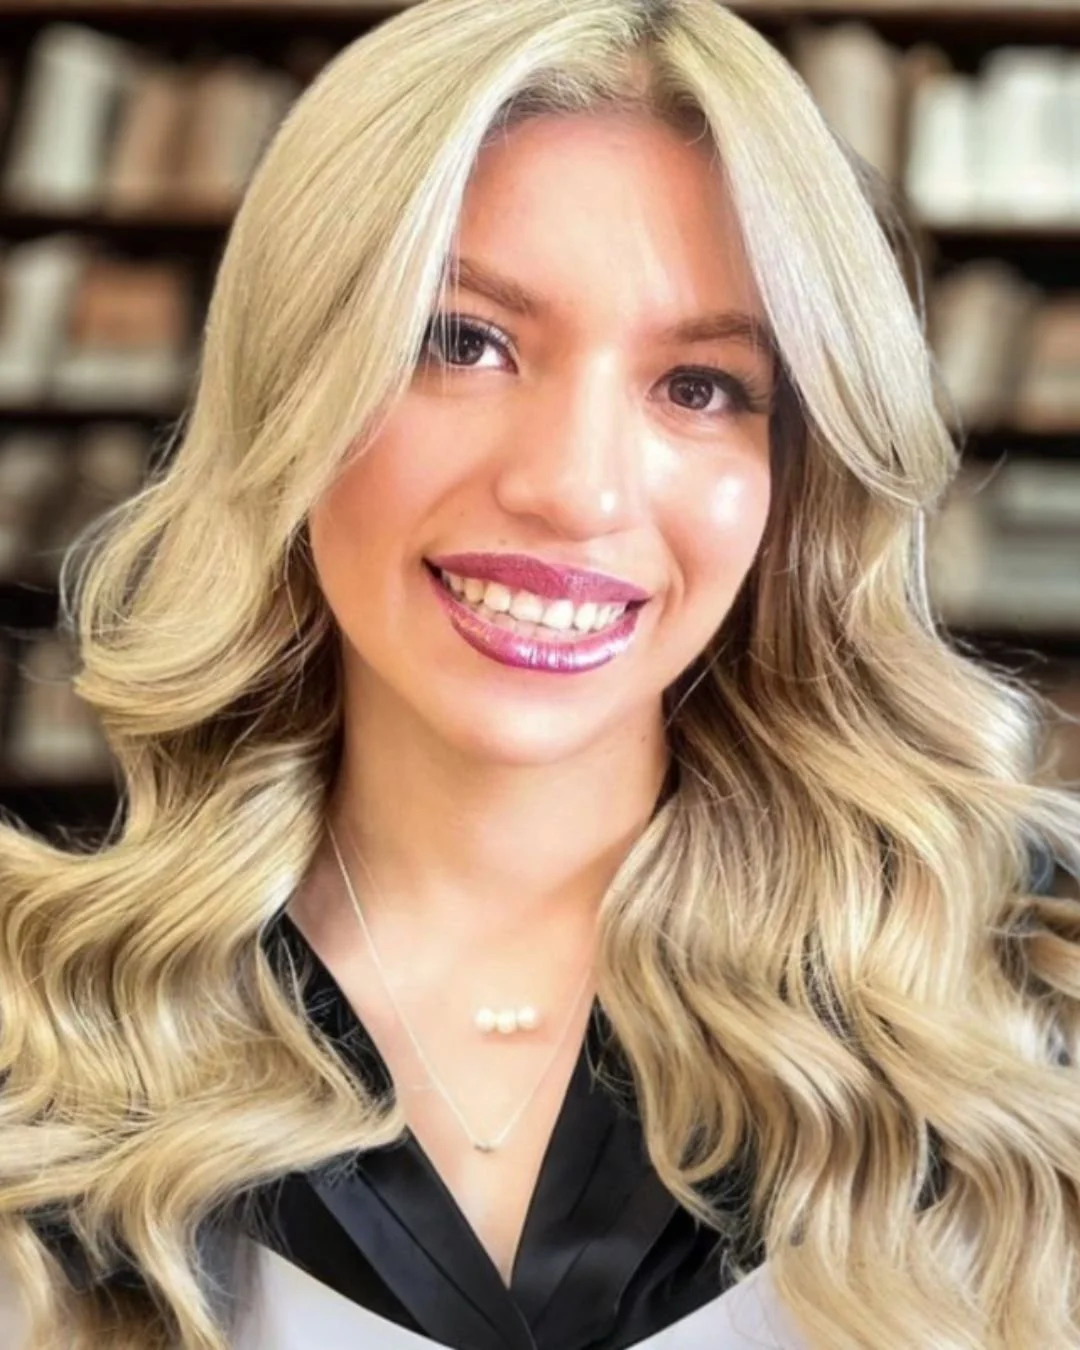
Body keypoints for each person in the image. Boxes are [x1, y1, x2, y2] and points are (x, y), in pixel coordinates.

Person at [1, 0, 1078, 1346]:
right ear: (292, 386)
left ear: (796, 472)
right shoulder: (41, 1028)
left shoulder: (1030, 1000)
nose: (576, 488)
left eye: (701, 385)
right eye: (462, 341)